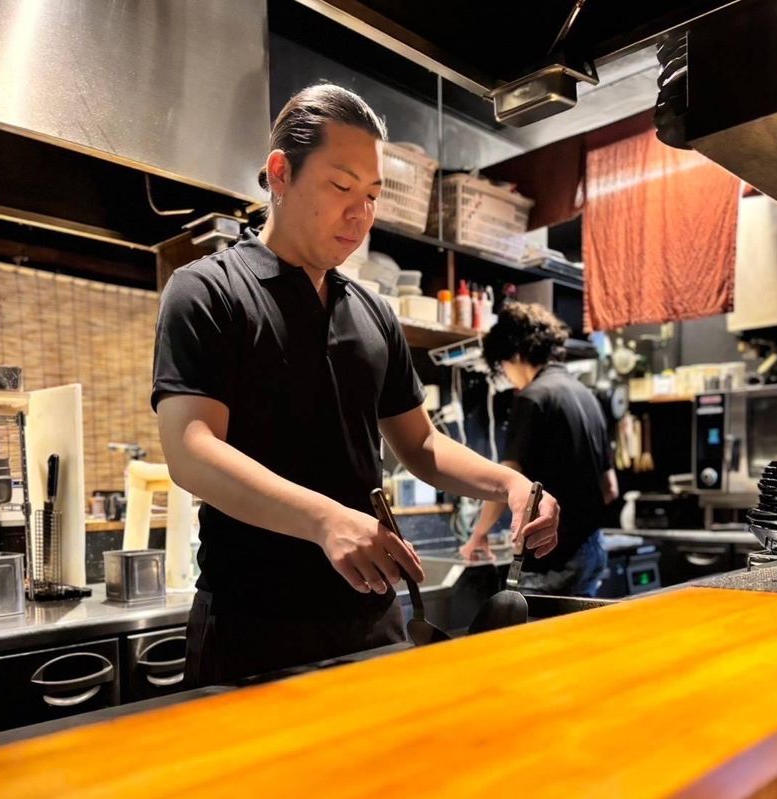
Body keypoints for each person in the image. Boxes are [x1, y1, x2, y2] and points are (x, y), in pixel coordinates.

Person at [152, 83, 560, 688]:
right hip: (253, 623)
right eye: (341, 187)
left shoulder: (373, 313)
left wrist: (511, 484)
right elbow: (191, 450)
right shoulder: (207, 291)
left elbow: (420, 445)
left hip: (373, 617)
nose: (361, 213)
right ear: (280, 173)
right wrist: (325, 520)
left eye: (371, 195)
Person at [460, 302, 618, 597]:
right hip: (594, 550)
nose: (508, 375)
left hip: (553, 561)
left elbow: (506, 478)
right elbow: (610, 488)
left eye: (504, 366)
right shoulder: (587, 396)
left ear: (515, 354)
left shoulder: (532, 398)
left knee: (532, 627)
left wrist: (478, 535)